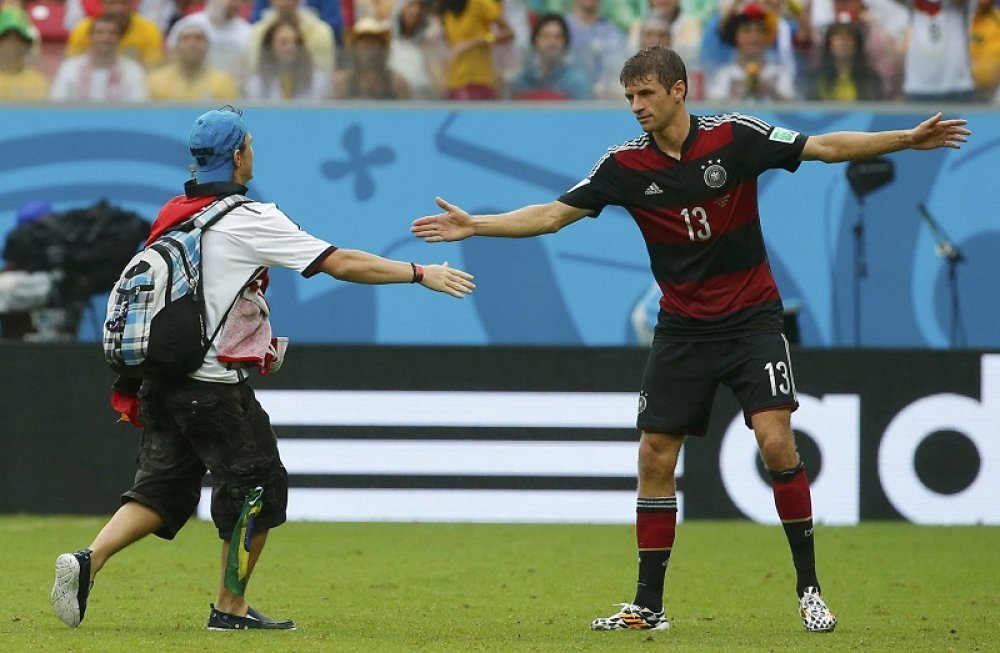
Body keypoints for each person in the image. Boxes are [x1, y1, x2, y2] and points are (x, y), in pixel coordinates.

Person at [411, 45, 969, 633]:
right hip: (682, 328)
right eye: (629, 96)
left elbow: (824, 147)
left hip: (752, 321)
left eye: (646, 93)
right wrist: (476, 225)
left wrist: (906, 139)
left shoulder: (735, 137)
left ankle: (809, 590)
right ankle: (647, 607)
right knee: (654, 454)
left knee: (775, 441)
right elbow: (552, 215)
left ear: (679, 90)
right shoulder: (623, 166)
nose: (636, 106)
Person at [50, 105, 476, 631]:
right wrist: (417, 272)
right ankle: (229, 608)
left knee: (161, 489)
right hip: (211, 388)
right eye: (249, 144)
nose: (253, 151)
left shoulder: (176, 212)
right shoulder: (249, 218)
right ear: (237, 156)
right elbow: (339, 262)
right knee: (258, 488)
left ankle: (88, 560)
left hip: (161, 380)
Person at [706, 3, 797, 101]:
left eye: (760, 31)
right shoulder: (725, 75)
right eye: (746, 31)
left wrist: (772, 91)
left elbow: (791, 104)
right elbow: (715, 104)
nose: (754, 38)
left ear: (767, 37)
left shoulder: (779, 75)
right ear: (735, 36)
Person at [50, 14, 149, 102]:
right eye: (99, 32)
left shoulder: (133, 71)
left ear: (119, 38)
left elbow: (138, 110)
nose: (105, 38)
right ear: (90, 37)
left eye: (112, 33)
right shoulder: (70, 68)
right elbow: (56, 106)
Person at [509, 12, 593, 100]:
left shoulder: (577, 80)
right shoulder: (522, 80)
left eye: (558, 37)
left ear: (565, 43)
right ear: (535, 41)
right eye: (545, 36)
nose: (552, 43)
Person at [148, 21, 239, 101]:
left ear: (207, 46)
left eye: (198, 38)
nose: (192, 44)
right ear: (176, 47)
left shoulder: (223, 82)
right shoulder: (157, 81)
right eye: (185, 38)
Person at [244, 17, 328, 101]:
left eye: (295, 42)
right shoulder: (256, 83)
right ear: (270, 46)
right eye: (283, 42)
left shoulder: (318, 80)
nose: (291, 48)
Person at [332, 16, 412, 100]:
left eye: (372, 41)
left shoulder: (397, 83)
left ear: (381, 46)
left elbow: (409, 107)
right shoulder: (343, 83)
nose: (368, 47)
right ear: (355, 48)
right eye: (363, 41)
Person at [64, 0, 164, 67]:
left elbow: (153, 68)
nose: (118, 9)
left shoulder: (149, 30)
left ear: (132, 4)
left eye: (123, 3)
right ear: (102, 5)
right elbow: (72, 66)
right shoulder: (83, 30)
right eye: (112, 3)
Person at [805, 15, 881, 101]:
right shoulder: (817, 77)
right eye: (837, 35)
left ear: (857, 43)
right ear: (829, 44)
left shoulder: (870, 77)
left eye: (849, 35)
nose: (843, 40)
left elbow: (875, 105)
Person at [0, 7, 48, 101]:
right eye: (7, 38)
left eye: (18, 39)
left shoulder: (39, 83)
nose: (12, 45)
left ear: (27, 44)